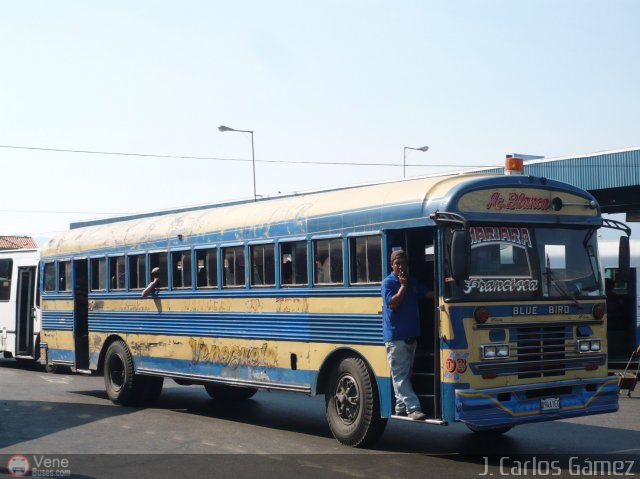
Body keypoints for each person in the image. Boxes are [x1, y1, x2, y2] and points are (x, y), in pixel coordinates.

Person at [381, 249, 432, 420]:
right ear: (392, 265)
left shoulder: (413, 282)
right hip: (396, 338)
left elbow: (428, 294)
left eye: (404, 263)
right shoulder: (388, 283)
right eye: (398, 263)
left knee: (404, 375)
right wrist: (403, 286)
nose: (401, 266)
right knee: (400, 376)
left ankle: (400, 407)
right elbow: (392, 304)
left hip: (411, 336)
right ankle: (413, 408)